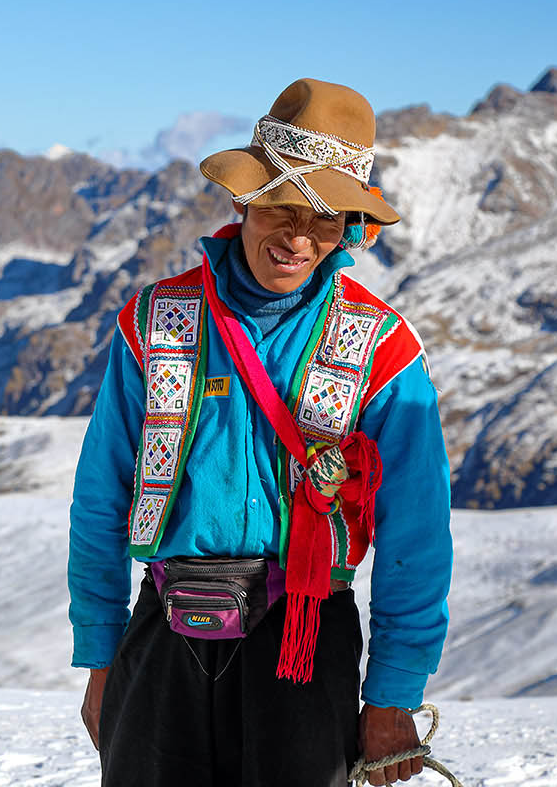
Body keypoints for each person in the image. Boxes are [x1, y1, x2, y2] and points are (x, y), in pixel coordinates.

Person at [68, 78, 452, 787]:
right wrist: (100, 657)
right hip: (162, 642)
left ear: (353, 229)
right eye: (281, 206)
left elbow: (416, 536)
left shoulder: (382, 349)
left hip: (306, 649)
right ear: (244, 198)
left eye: (327, 219)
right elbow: (100, 498)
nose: (299, 237)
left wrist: (393, 693)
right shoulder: (154, 324)